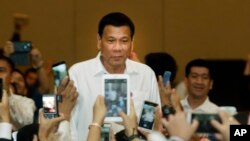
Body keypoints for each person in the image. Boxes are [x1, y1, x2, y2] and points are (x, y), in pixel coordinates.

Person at [68, 12, 160, 141]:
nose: (117, 48)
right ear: (99, 41)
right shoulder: (78, 73)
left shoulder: (145, 74)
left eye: (124, 41)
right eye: (111, 41)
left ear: (132, 43)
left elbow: (152, 125)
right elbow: (70, 125)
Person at [0, 55, 36, 130]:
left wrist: (6, 97)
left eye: (1, 70)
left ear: (11, 76)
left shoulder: (25, 102)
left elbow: (27, 121)